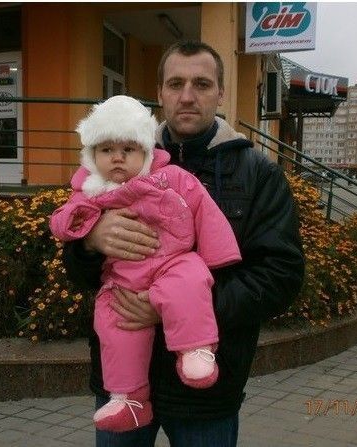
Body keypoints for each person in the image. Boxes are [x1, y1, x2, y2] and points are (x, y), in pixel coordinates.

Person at [63, 40, 305, 447]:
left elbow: (281, 276)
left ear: (221, 93)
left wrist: (175, 307)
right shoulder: (116, 161)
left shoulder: (258, 174)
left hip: (206, 393)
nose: (187, 96)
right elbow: (76, 265)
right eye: (175, 84)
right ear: (159, 93)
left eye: (202, 84)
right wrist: (89, 242)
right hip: (122, 383)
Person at [50, 95, 242, 432]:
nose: (118, 157)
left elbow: (204, 210)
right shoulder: (90, 192)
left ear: (147, 152)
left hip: (172, 261)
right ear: (92, 156)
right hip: (124, 281)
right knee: (112, 321)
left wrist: (219, 254)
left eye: (129, 149)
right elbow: (62, 222)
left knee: (191, 281)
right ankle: (129, 398)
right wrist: (88, 233)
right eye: (107, 150)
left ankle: (195, 349)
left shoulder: (171, 178)